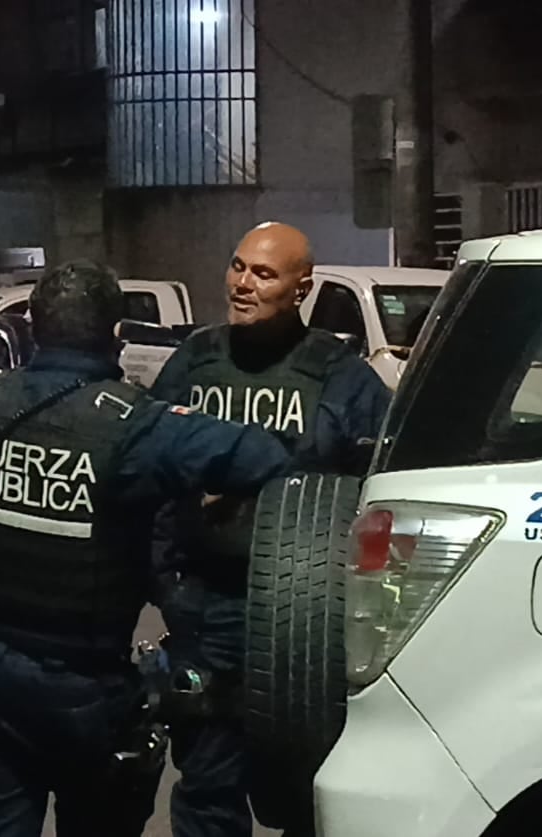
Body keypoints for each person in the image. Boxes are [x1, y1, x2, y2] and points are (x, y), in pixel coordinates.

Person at [0, 259, 292, 837]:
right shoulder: (134, 427)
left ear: (30, 327)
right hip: (80, 682)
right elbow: (265, 457)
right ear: (118, 333)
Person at [149, 221, 394, 837]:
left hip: (300, 626)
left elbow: (386, 493)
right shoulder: (194, 362)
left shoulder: (339, 376)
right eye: (237, 267)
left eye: (264, 274)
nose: (243, 284)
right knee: (207, 787)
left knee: (306, 792)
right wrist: (167, 584)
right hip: (207, 610)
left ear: (301, 287)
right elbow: (144, 473)